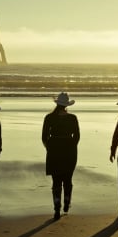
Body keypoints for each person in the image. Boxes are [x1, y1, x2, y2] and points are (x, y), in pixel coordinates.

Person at [42, 92, 80, 220]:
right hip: (69, 149)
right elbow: (77, 136)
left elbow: (44, 137)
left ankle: (57, 207)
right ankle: (67, 203)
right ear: (66, 105)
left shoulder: (49, 118)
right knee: (68, 179)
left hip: (54, 149)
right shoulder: (72, 118)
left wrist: (50, 148)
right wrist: (71, 146)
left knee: (56, 181)